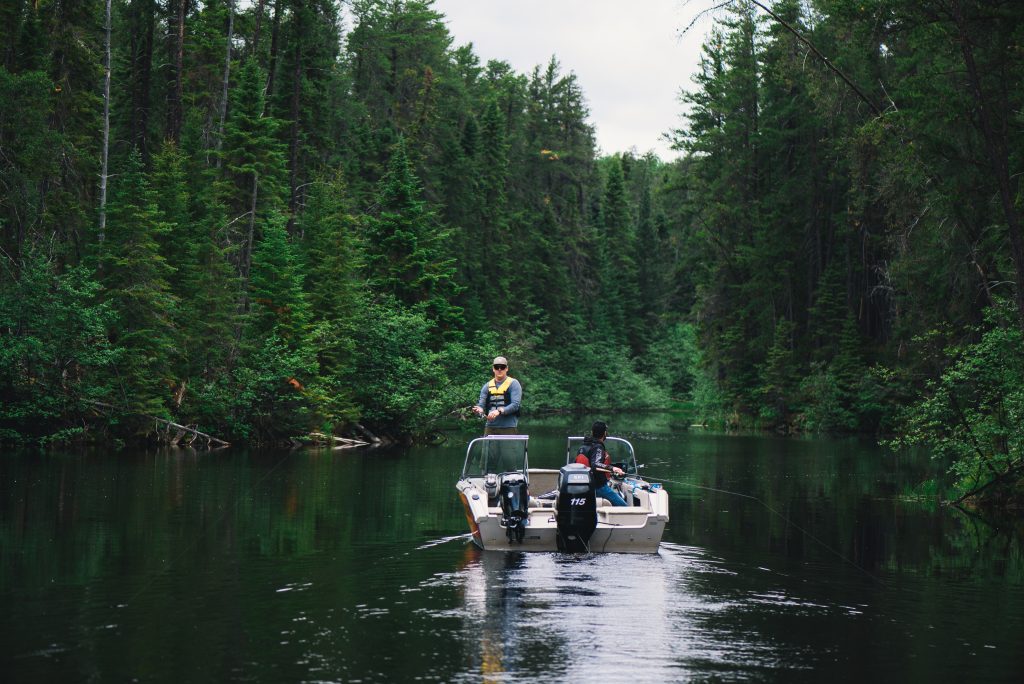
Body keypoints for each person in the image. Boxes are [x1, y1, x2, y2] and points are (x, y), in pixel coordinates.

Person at [575, 420, 627, 506]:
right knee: (625, 508)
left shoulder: (584, 446)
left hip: (585, 486)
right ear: (605, 433)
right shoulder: (597, 447)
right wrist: (613, 468)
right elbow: (595, 464)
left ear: (592, 432)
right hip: (598, 487)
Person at [472, 356, 523, 435]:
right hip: (490, 427)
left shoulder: (514, 384)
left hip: (508, 427)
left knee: (507, 448)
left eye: (502, 367)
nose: (499, 369)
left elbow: (515, 405)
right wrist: (479, 411)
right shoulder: (487, 386)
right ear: (493, 369)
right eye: (496, 367)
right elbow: (481, 405)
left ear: (506, 368)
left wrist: (499, 411)